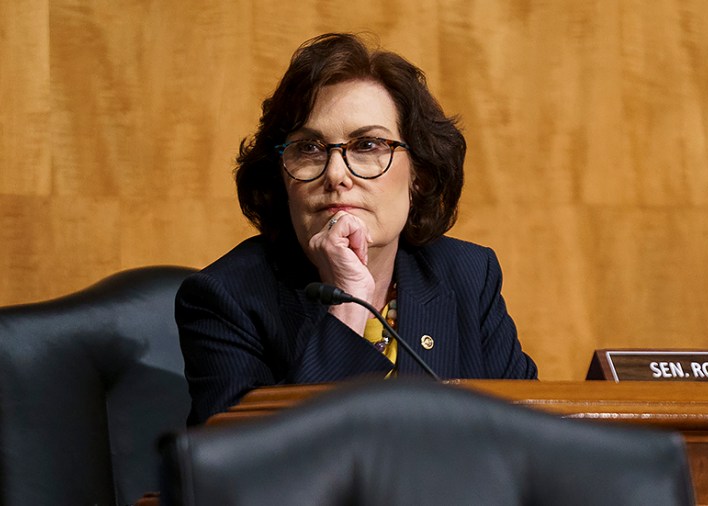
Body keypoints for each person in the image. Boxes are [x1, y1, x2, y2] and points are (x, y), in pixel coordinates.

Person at [176, 33, 537, 425]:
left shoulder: (468, 275)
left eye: (367, 145)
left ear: (419, 174)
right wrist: (347, 303)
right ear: (281, 177)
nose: (335, 174)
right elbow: (245, 472)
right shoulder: (227, 298)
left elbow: (531, 437)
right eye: (309, 148)